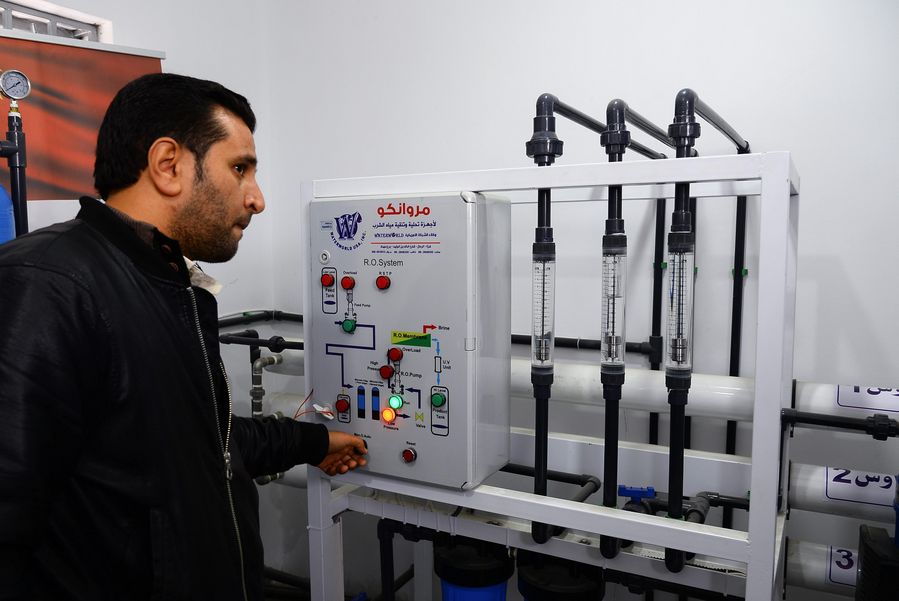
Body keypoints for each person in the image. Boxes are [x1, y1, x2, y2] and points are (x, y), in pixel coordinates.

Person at [0, 73, 367, 600]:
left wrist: (313, 442)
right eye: (239, 168)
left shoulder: (170, 285)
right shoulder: (45, 285)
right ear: (168, 165)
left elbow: (202, 441)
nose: (257, 199)